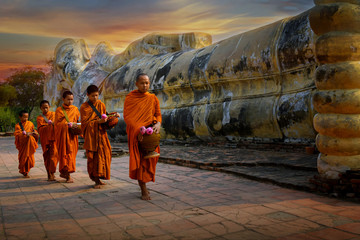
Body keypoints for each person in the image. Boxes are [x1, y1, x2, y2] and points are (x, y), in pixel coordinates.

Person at [123, 73, 162, 200]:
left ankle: (144, 184)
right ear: (136, 84)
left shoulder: (153, 98)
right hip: (137, 135)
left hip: (150, 134)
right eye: (142, 83)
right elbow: (128, 118)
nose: (145, 85)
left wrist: (158, 124)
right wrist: (138, 130)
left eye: (147, 83)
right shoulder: (130, 98)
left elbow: (158, 114)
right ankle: (143, 189)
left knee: (150, 160)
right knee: (140, 162)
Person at [80, 85, 120, 188]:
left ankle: (100, 177)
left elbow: (104, 116)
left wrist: (113, 116)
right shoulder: (84, 107)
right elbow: (85, 124)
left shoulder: (101, 104)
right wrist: (98, 122)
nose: (95, 98)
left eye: (97, 95)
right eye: (93, 96)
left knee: (105, 154)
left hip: (101, 135)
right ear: (88, 95)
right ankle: (96, 180)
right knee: (93, 158)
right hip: (91, 137)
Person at [55, 91, 80, 183]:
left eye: (72, 99)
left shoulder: (75, 109)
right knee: (64, 155)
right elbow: (57, 125)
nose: (70, 101)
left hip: (72, 136)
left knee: (71, 155)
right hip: (63, 137)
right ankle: (67, 175)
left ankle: (65, 173)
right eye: (68, 99)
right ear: (63, 99)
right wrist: (66, 124)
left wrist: (75, 125)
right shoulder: (59, 110)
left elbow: (77, 121)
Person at [37, 100, 58, 181]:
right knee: (47, 156)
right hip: (45, 140)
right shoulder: (39, 118)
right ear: (41, 108)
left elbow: (57, 124)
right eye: (43, 108)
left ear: (49, 107)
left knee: (54, 156)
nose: (45, 109)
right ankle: (49, 174)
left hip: (54, 139)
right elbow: (40, 129)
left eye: (46, 107)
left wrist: (53, 124)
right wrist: (49, 126)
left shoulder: (54, 114)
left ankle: (52, 172)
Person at [14, 110, 39, 178]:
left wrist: (35, 133)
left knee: (30, 159)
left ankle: (27, 170)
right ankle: (25, 172)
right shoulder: (18, 125)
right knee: (23, 158)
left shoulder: (30, 123)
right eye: (24, 117)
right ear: (20, 117)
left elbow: (33, 130)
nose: (26, 118)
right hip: (23, 145)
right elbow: (17, 134)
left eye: (27, 117)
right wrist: (23, 134)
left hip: (29, 144)